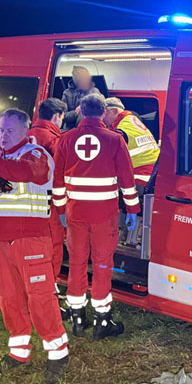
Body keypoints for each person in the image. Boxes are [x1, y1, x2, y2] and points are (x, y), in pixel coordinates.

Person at [0, 108, 69, 384]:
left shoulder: (35, 154)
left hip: (31, 237)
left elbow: (24, 172)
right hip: (0, 240)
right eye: (0, 130)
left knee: (40, 297)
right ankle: (19, 352)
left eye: (9, 130)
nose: (3, 136)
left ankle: (58, 353)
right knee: (9, 296)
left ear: (25, 130)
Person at [51, 93, 140, 339]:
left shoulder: (65, 139)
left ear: (80, 110)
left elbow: (57, 181)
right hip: (104, 215)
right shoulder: (114, 139)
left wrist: (60, 210)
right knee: (102, 264)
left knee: (77, 263)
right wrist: (133, 210)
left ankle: (77, 318)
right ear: (103, 112)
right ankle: (103, 320)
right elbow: (127, 179)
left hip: (75, 213)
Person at [27, 98, 69, 318]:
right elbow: (62, 171)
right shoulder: (54, 139)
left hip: (25, 204)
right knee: (52, 249)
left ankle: (31, 295)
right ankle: (47, 300)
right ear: (57, 116)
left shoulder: (24, 134)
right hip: (48, 204)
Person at [103, 97, 160, 191]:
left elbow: (107, 159)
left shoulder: (122, 129)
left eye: (104, 113)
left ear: (113, 111)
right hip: (152, 175)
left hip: (140, 178)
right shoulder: (131, 120)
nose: (102, 118)